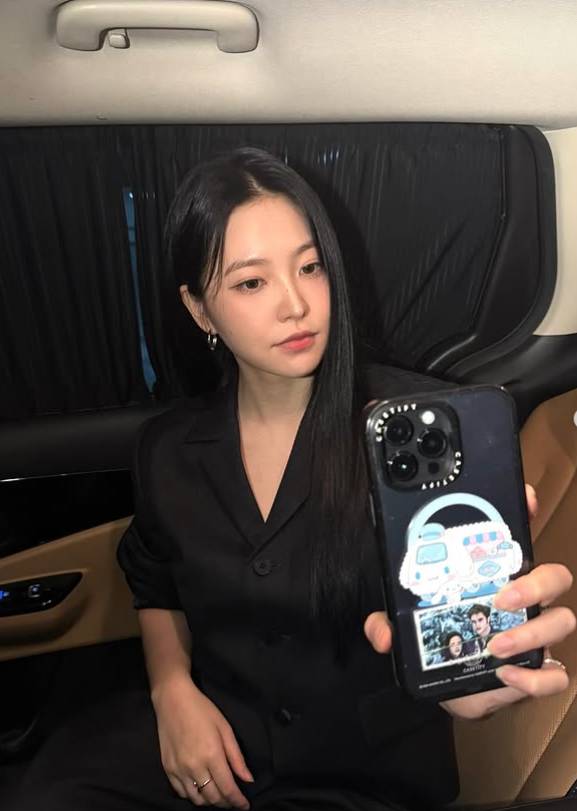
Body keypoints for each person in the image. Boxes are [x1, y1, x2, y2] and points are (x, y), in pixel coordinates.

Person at [8, 148, 576, 811]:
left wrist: (471, 675)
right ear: (199, 309)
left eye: (310, 267)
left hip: (360, 772)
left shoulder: (415, 429)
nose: (296, 304)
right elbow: (153, 577)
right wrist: (172, 689)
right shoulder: (168, 449)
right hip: (219, 732)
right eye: (252, 283)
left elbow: (456, 600)